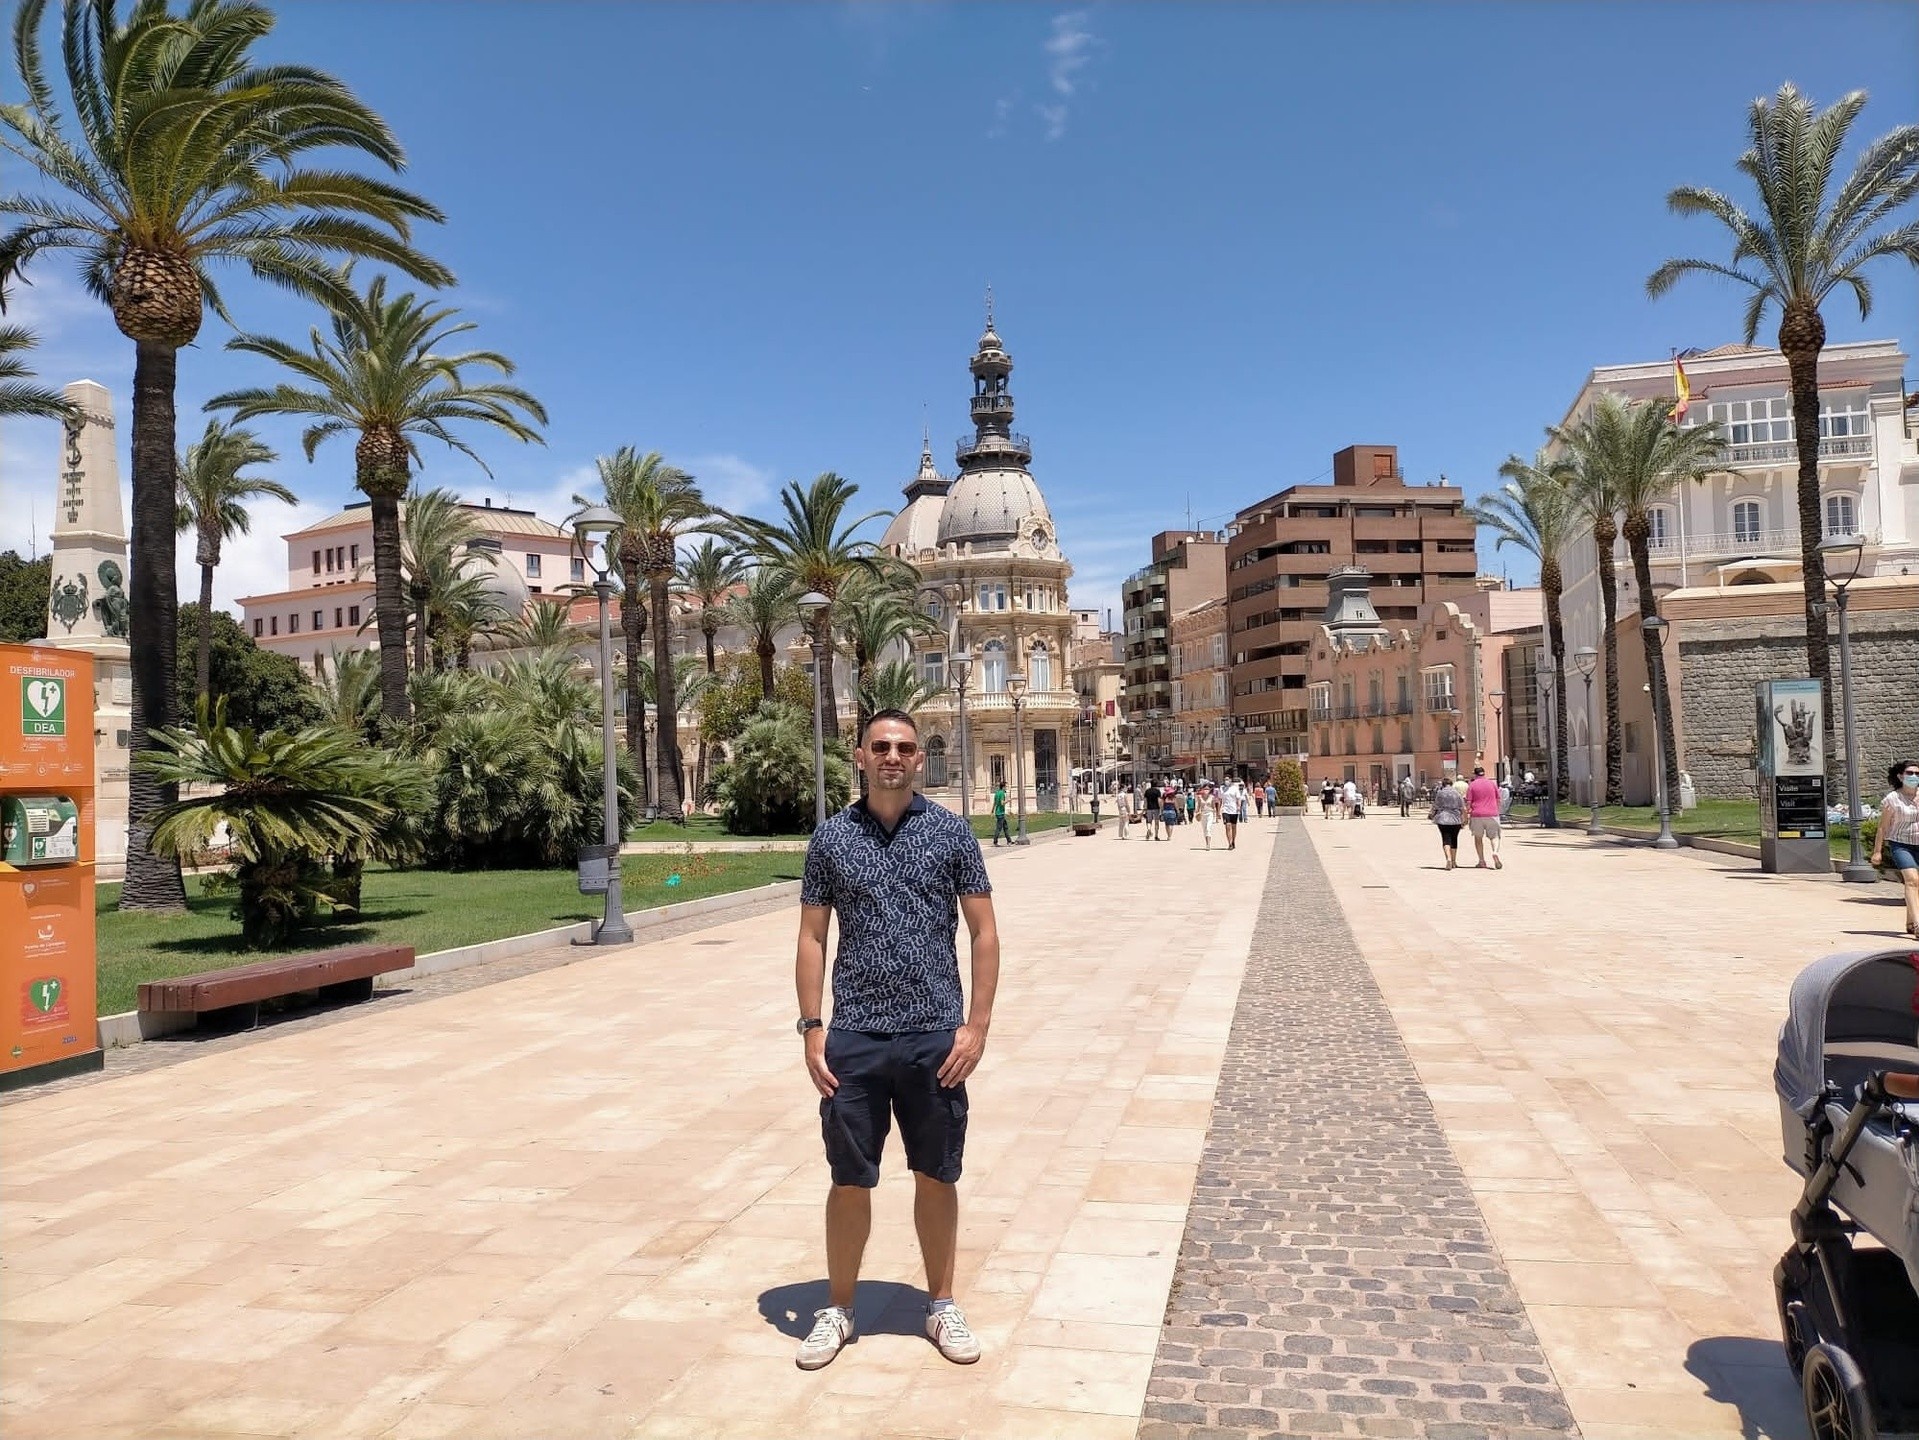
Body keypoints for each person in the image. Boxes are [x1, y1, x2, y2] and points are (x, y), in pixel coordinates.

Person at [794, 709, 1000, 1371]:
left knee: (935, 1174)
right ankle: (839, 1308)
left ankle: (941, 1304)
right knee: (848, 1178)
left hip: (934, 1037)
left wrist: (976, 1026)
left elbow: (984, 931)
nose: (892, 756)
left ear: (917, 759)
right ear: (859, 756)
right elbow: (812, 936)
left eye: (904, 747)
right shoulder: (831, 838)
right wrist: (811, 1027)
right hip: (854, 1036)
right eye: (880, 746)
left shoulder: (950, 833)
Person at [1870, 759, 1919, 939]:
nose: (1914, 776)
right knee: (1912, 880)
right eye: (1910, 773)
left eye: (1917, 773)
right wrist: (1877, 851)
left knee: (1917, 884)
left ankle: (1910, 921)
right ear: (1900, 776)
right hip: (1901, 844)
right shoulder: (1892, 799)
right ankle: (1918, 924)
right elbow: (1883, 827)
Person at [1465, 764, 1502, 869]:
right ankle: (1495, 852)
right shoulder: (1492, 784)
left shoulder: (1472, 785)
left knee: (1478, 838)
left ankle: (1481, 861)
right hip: (1492, 813)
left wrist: (1468, 812)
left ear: (1475, 774)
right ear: (1484, 773)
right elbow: (1498, 799)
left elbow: (1468, 802)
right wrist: (1497, 810)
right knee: (1494, 836)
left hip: (1477, 814)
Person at [1430, 773, 1466, 870]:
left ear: (1443, 784)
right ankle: (1454, 861)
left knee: (1446, 839)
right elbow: (1462, 807)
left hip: (1443, 818)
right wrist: (1464, 819)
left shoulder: (1440, 793)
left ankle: (1448, 859)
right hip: (1456, 819)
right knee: (1454, 839)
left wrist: (1431, 814)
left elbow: (1435, 806)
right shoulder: (1457, 793)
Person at [1220, 776, 1243, 850]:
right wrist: (1218, 810)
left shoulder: (1235, 788)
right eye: (1225, 779)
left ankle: (1233, 841)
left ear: (1230, 780)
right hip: (1225, 809)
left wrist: (1239, 806)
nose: (1226, 781)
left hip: (1234, 810)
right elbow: (1220, 799)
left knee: (1234, 826)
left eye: (1227, 779)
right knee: (1227, 826)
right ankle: (1229, 843)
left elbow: (1238, 798)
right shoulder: (1222, 788)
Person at [1196, 781, 1218, 850]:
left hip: (1210, 813)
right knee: (1204, 829)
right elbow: (1198, 806)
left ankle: (1208, 844)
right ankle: (1206, 843)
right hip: (1203, 814)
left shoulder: (1212, 797)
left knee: (1208, 828)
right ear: (1202, 789)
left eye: (1207, 789)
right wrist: (1197, 813)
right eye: (1205, 789)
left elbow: (1214, 807)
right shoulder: (1199, 797)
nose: (1206, 790)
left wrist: (1216, 816)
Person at [990, 781, 1010, 847]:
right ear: (1003, 787)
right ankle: (995, 841)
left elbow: (994, 803)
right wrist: (1008, 800)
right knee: (999, 828)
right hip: (1000, 813)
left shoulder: (997, 793)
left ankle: (1009, 841)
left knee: (1005, 827)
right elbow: (1002, 803)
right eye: (1005, 787)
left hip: (998, 812)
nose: (1006, 788)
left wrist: (992, 811)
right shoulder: (1002, 793)